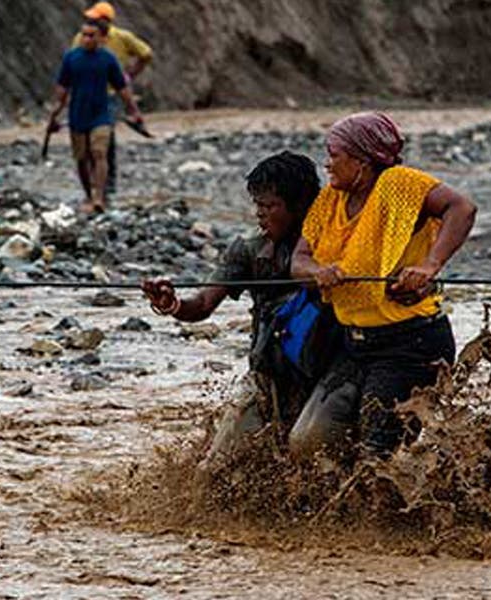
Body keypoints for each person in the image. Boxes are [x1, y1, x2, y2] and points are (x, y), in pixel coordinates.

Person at [142, 151, 350, 466]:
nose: (259, 214)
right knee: (215, 469)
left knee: (313, 454)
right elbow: (202, 305)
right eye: (257, 205)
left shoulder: (338, 250)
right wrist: (172, 303)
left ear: (300, 207)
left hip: (324, 375)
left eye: (269, 206)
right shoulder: (249, 251)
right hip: (268, 378)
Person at [290, 111, 477, 458]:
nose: (327, 164)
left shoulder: (398, 184)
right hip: (354, 345)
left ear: (362, 161)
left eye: (334, 155)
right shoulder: (330, 199)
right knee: (308, 442)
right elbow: (298, 260)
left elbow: (461, 208)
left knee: (378, 456)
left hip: (410, 345)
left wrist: (429, 266)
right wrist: (316, 271)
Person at [48, 19, 143, 214]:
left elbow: (122, 87)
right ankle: (88, 195)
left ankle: (99, 197)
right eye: (84, 35)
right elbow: (62, 88)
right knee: (82, 158)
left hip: (101, 114)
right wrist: (55, 114)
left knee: (99, 152)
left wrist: (134, 110)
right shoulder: (71, 58)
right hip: (77, 114)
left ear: (102, 38)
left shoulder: (108, 59)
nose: (86, 39)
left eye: (91, 35)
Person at [72, 2, 154, 196]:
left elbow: (146, 54)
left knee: (104, 138)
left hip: (110, 95)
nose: (90, 21)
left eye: (94, 18)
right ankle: (93, 184)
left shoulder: (122, 38)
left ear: (106, 21)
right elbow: (73, 61)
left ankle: (107, 184)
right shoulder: (82, 38)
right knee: (86, 139)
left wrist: (129, 75)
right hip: (87, 94)